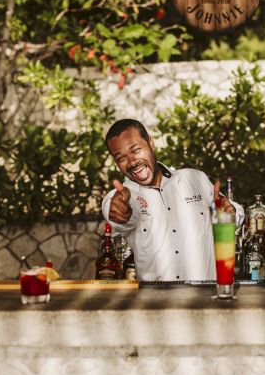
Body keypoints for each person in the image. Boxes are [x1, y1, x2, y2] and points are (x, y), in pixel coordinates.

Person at [102, 119, 244, 281]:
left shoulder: (194, 178)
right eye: (121, 158)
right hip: (157, 303)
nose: (132, 162)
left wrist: (230, 213)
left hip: (206, 299)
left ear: (151, 143)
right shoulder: (125, 197)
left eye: (136, 150)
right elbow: (117, 211)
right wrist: (119, 211)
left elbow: (233, 216)